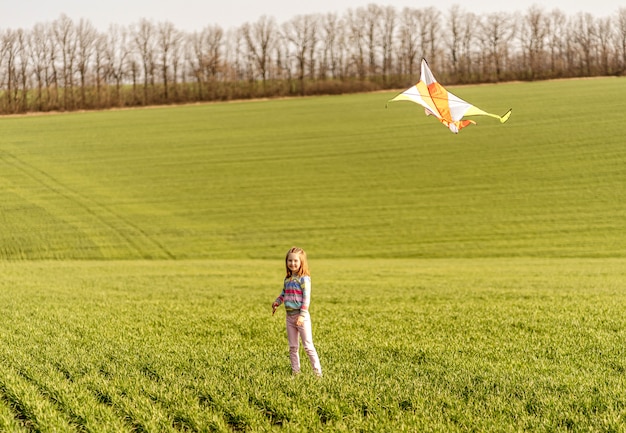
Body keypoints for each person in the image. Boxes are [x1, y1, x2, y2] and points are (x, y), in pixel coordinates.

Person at [272, 247, 322, 377]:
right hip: (289, 317)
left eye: (295, 261)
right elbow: (284, 293)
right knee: (293, 347)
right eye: (290, 261)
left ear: (301, 262)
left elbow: (306, 298)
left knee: (308, 346)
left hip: (301, 317)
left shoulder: (304, 279)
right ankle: (296, 372)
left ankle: (318, 373)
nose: (292, 263)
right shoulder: (287, 279)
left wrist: (302, 315)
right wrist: (277, 302)